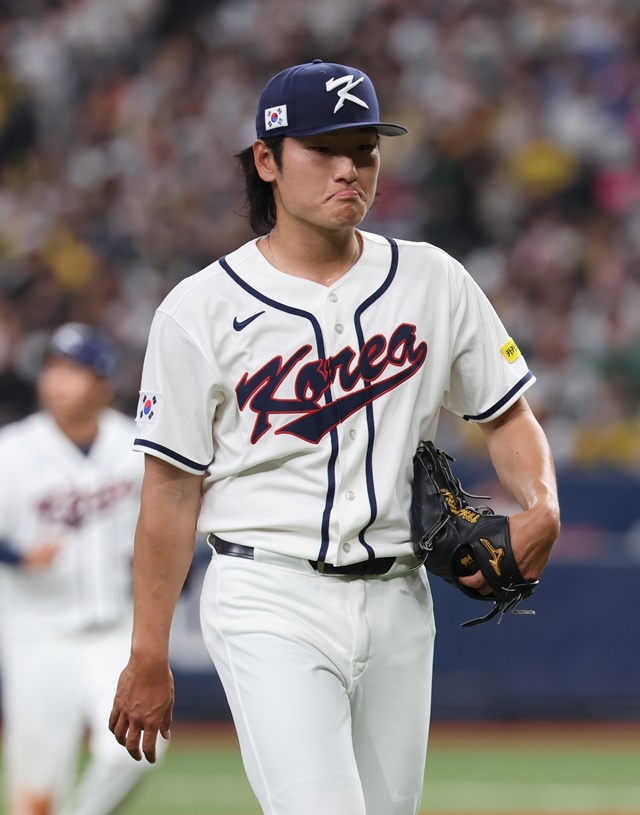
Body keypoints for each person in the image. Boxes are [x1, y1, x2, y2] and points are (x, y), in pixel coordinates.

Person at [109, 60, 561, 815]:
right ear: (267, 160)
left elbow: (506, 415)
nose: (350, 168)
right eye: (324, 148)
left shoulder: (433, 280)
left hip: (398, 599)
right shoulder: (201, 308)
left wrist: (541, 503)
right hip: (267, 591)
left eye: (365, 149)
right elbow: (170, 486)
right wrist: (148, 650)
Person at [0, 323, 166, 815]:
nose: (56, 381)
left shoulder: (135, 445)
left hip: (114, 630)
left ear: (103, 383)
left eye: (74, 370)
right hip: (36, 631)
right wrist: (16, 557)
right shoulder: (12, 451)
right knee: (37, 788)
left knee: (136, 750)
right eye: (52, 368)